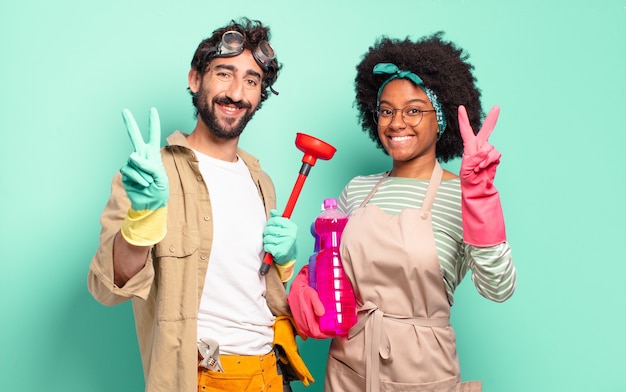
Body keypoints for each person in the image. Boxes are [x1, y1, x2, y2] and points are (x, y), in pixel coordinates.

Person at [88, 17, 313, 392]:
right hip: (203, 378)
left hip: (271, 374)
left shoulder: (261, 180)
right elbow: (107, 288)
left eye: (252, 81)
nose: (237, 93)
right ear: (196, 79)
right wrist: (142, 221)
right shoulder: (151, 174)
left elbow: (252, 282)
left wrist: (285, 262)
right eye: (224, 73)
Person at [287, 32, 517, 392]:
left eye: (413, 110)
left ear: (440, 119)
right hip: (349, 368)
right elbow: (332, 263)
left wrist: (481, 199)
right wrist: (305, 284)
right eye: (387, 111)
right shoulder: (357, 190)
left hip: (424, 373)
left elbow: (498, 288)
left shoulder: (464, 193)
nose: (396, 123)